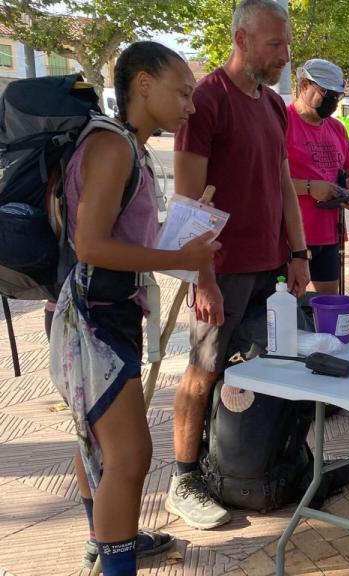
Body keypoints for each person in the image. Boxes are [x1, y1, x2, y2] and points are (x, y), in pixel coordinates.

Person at [48, 41, 219, 575]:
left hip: (108, 312)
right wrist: (179, 254)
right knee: (130, 456)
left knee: (99, 441)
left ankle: (106, 539)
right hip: (94, 318)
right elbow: (92, 245)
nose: (190, 106)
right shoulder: (112, 147)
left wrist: (186, 232)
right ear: (144, 83)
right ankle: (116, 558)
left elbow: (122, 238)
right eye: (183, 92)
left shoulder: (129, 147)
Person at [166, 0, 310, 529]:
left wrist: (298, 254)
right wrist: (201, 276)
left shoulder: (273, 106)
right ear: (243, 40)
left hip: (270, 266)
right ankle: (182, 479)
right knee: (202, 373)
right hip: (220, 269)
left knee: (253, 373)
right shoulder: (206, 101)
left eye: (287, 43)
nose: (285, 54)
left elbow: (283, 186)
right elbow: (188, 201)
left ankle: (241, 468)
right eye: (276, 44)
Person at [286, 58, 349, 295]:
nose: (331, 101)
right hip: (292, 236)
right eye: (325, 93)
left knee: (329, 303)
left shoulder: (336, 128)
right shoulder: (282, 122)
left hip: (330, 233)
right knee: (290, 301)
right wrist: (309, 187)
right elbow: (265, 179)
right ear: (304, 86)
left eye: (336, 96)